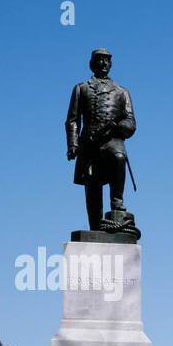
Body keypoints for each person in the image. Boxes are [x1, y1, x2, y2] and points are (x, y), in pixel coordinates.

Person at [65, 49, 139, 236]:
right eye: (100, 60)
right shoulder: (81, 88)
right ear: (92, 63)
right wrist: (73, 145)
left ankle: (117, 203)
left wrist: (119, 127)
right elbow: (72, 120)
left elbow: (131, 122)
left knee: (119, 156)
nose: (104, 64)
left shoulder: (122, 92)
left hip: (112, 139)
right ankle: (95, 227)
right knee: (92, 184)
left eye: (107, 60)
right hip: (89, 142)